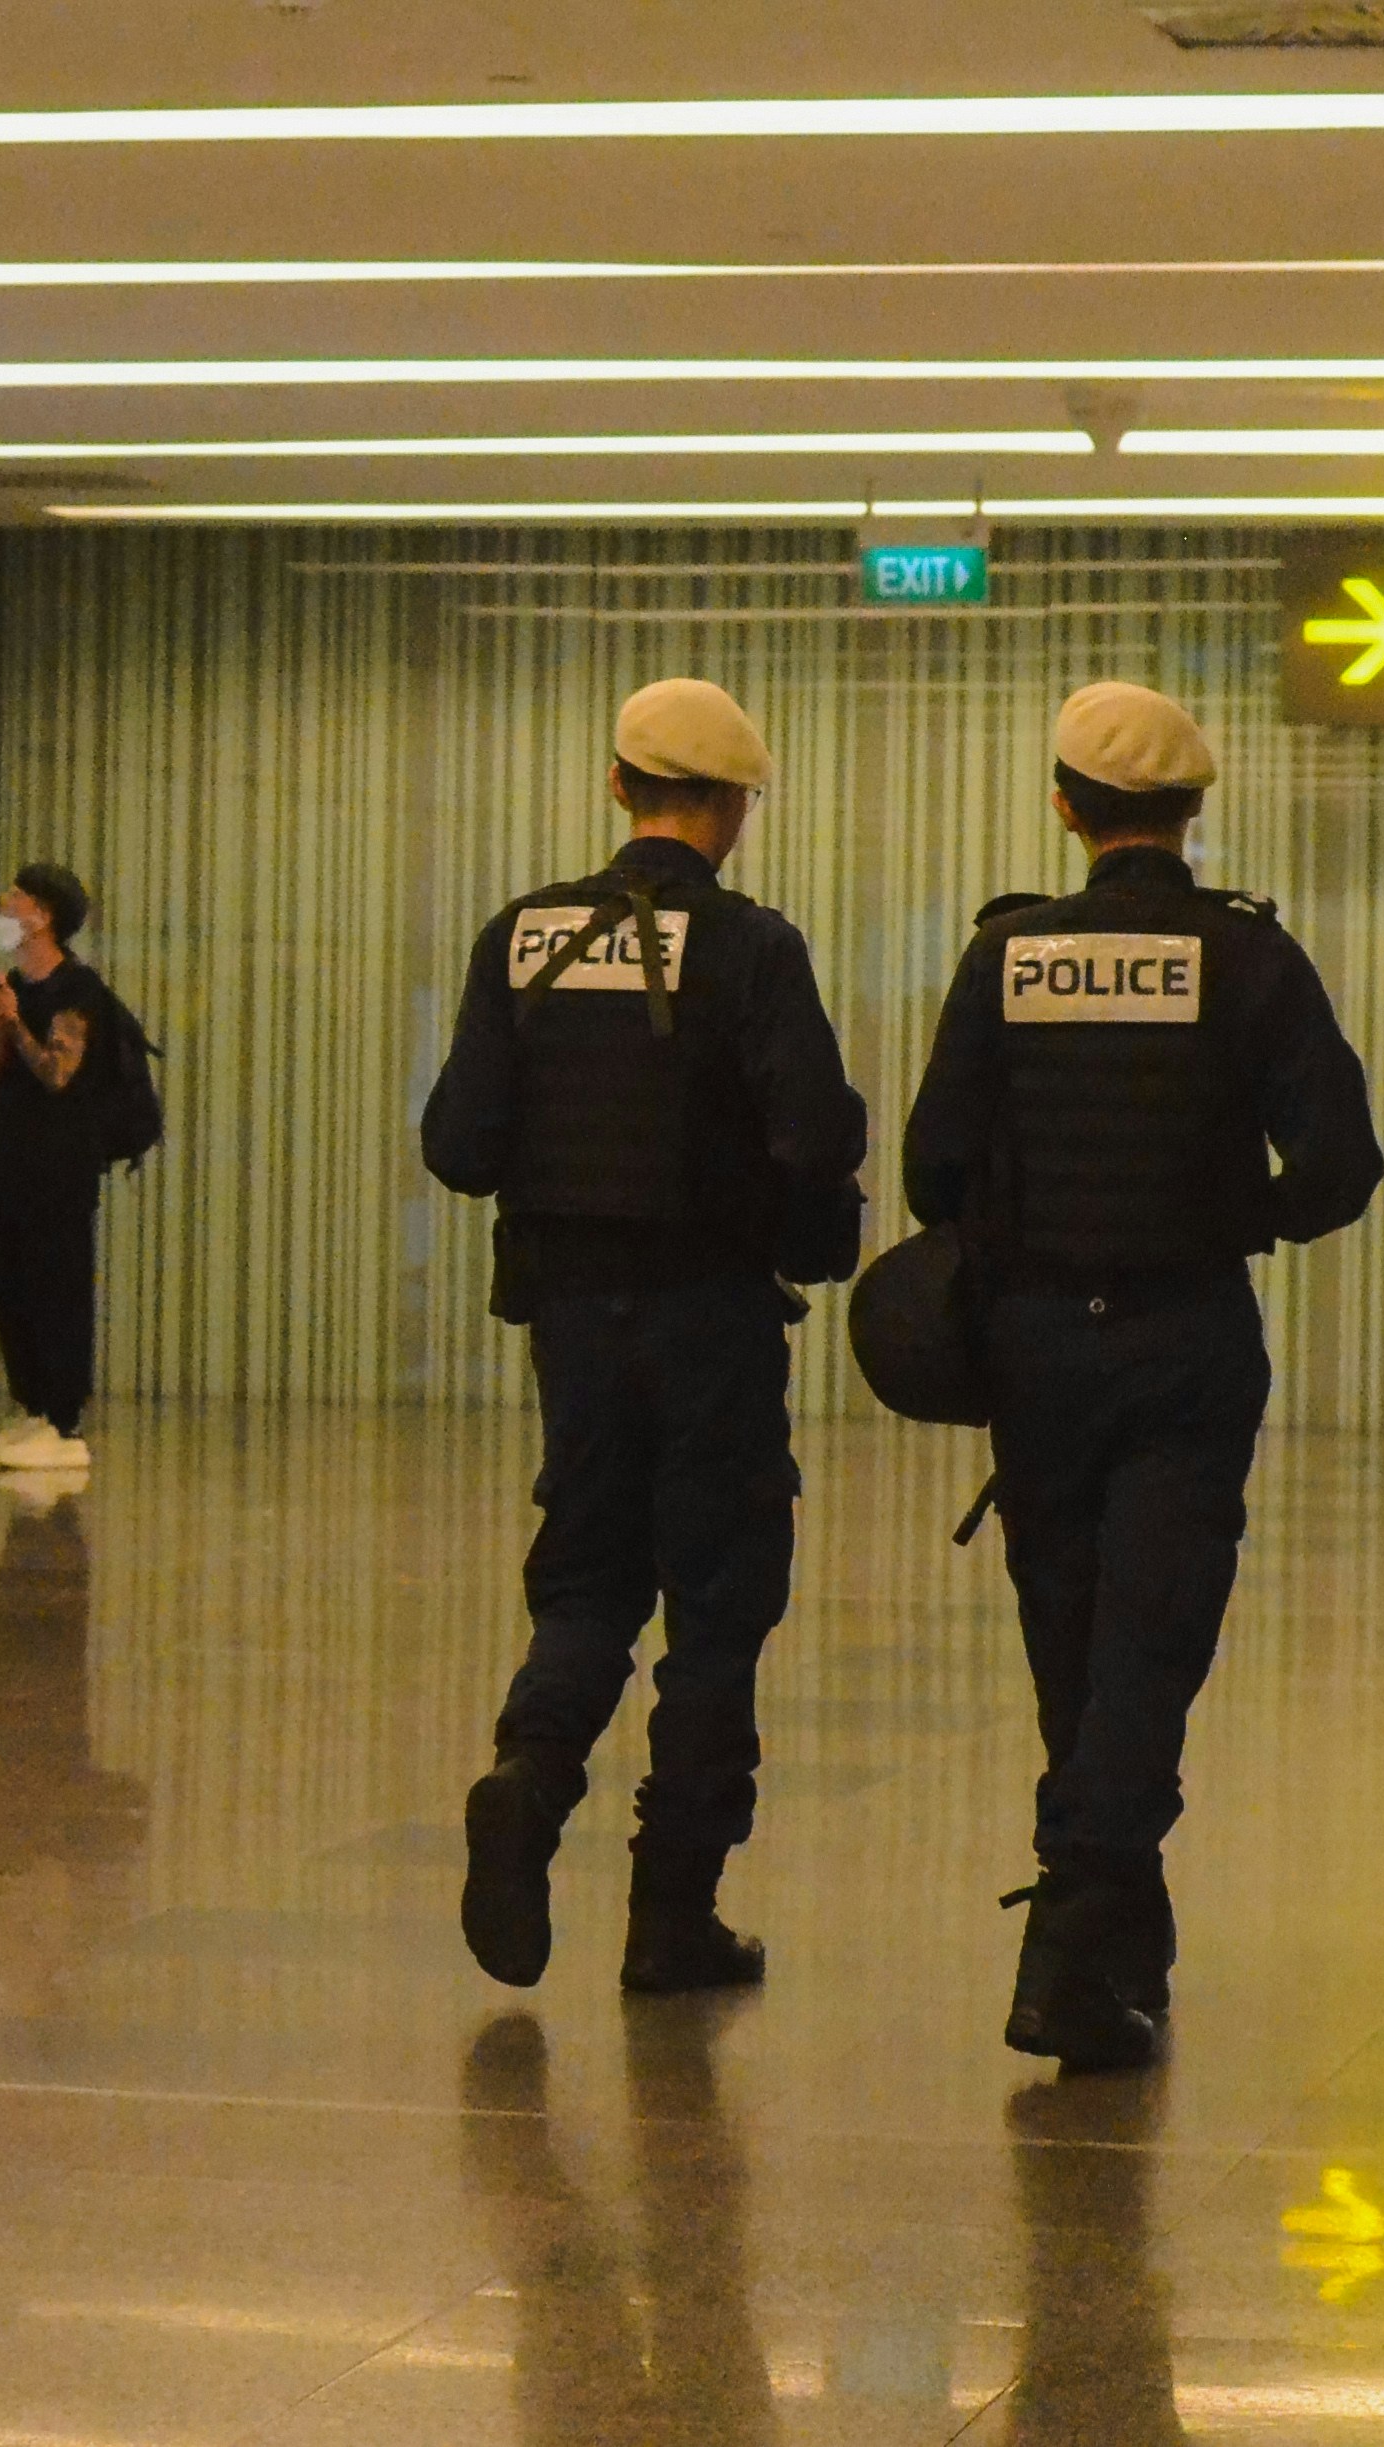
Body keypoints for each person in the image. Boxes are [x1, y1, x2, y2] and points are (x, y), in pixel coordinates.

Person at [902, 681, 1384, 2070]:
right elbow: (1340, 1168)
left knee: (1074, 1640)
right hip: (1184, 1340)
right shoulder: (1245, 960)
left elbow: (935, 1165)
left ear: (1063, 804)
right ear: (1189, 809)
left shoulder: (1006, 955)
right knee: (1150, 1639)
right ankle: (1069, 1946)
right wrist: (1242, 1220)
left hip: (1035, 1348)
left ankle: (1117, 1928)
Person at [422, 677, 868, 1996]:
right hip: (712, 1320)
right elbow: (819, 1134)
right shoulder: (749, 947)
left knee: (586, 1578)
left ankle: (526, 1773)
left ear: (616, 786)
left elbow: (458, 1144)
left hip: (568, 1319)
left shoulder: (523, 935)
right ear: (732, 808)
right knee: (715, 1611)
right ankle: (671, 1914)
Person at [0, 862, 116, 1475]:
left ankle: (63, 1418)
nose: (5, 904)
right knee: (12, 1289)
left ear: (44, 914)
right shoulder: (17, 987)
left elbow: (59, 1073)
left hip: (57, 1171)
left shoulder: (77, 991)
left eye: (17, 896)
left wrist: (14, 1024)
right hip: (7, 1161)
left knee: (56, 1289)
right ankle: (30, 1406)